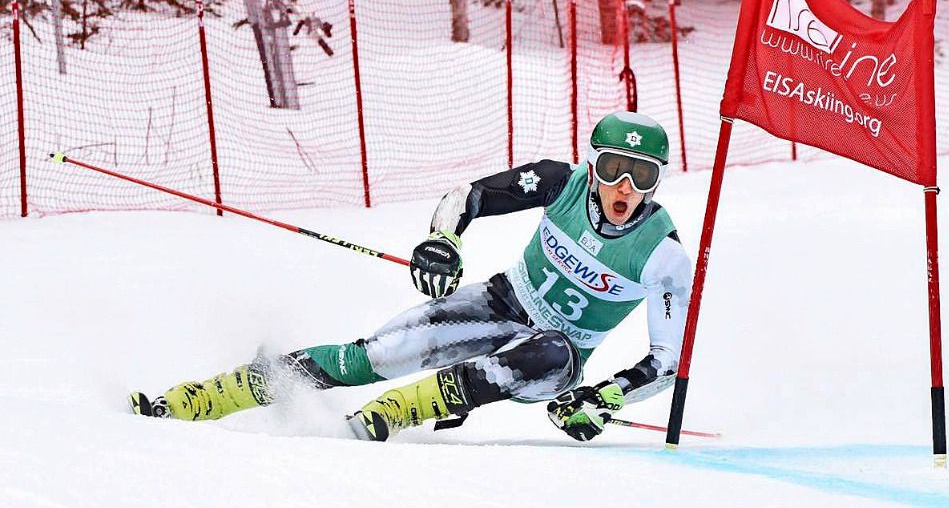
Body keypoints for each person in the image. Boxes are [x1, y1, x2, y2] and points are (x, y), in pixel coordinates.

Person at [131, 111, 693, 443]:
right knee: (374, 357)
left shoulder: (661, 254)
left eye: (642, 174)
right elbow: (467, 197)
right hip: (500, 303)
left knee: (545, 353)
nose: (625, 188)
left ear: (658, 181)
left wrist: (608, 397)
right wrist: (442, 240)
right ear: (592, 165)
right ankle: (197, 399)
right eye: (614, 168)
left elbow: (668, 361)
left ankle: (390, 416)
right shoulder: (558, 181)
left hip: (560, 356)